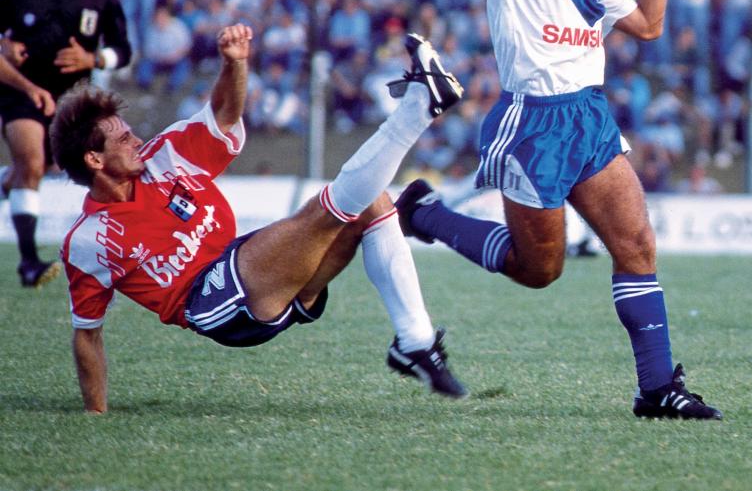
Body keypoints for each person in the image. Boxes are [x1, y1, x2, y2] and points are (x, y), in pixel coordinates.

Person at [335, 0, 721, 420]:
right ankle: (426, 214)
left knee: (637, 245)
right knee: (539, 269)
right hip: (535, 122)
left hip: (588, 116)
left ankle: (658, 388)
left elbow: (647, 23)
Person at [53, 25, 469, 413]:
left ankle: (414, 342)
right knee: (326, 210)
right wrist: (96, 413)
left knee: (373, 203)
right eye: (124, 139)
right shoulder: (90, 240)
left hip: (246, 266)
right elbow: (87, 331)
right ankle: (416, 110)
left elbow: (225, 116)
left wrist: (235, 63)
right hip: (212, 301)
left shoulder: (165, 153)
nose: (137, 140)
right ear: (94, 159)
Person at [0, 0, 133, 288]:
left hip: (73, 102)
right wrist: (12, 61)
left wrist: (93, 59)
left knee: (42, 170)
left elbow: (123, 51)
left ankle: (8, 183)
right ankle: (29, 263)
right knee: (32, 160)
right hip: (21, 93)